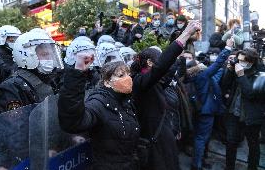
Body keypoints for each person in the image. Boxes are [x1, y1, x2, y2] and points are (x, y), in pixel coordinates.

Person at [131, 21, 201, 170]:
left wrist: (178, 48)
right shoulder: (139, 81)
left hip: (164, 135)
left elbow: (168, 69)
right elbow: (162, 66)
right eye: (160, 58)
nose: (163, 61)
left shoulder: (156, 80)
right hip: (154, 142)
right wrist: (185, 34)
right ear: (149, 62)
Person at [58, 57, 140, 169]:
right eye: (121, 76)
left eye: (128, 74)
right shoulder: (98, 102)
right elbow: (74, 122)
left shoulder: (126, 102)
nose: (128, 78)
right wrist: (76, 74)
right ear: (107, 82)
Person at [184, 37, 234, 170]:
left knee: (199, 137)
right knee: (201, 138)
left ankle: (200, 160)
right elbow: (218, 64)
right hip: (206, 111)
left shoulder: (191, 77)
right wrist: (228, 47)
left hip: (198, 109)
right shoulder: (203, 76)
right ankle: (197, 165)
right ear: (197, 67)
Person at [0, 29, 63, 113]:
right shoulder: (12, 88)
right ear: (26, 56)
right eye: (44, 54)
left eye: (51, 54)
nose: (49, 59)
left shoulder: (50, 78)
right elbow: (15, 124)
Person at [221, 48, 265, 170]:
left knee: (253, 145)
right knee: (230, 142)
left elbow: (250, 94)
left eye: (243, 61)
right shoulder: (236, 71)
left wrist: (241, 75)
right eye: (238, 60)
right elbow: (224, 87)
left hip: (251, 116)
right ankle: (229, 167)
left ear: (251, 62)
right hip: (234, 113)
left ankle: (252, 167)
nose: (240, 63)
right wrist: (230, 71)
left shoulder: (260, 75)